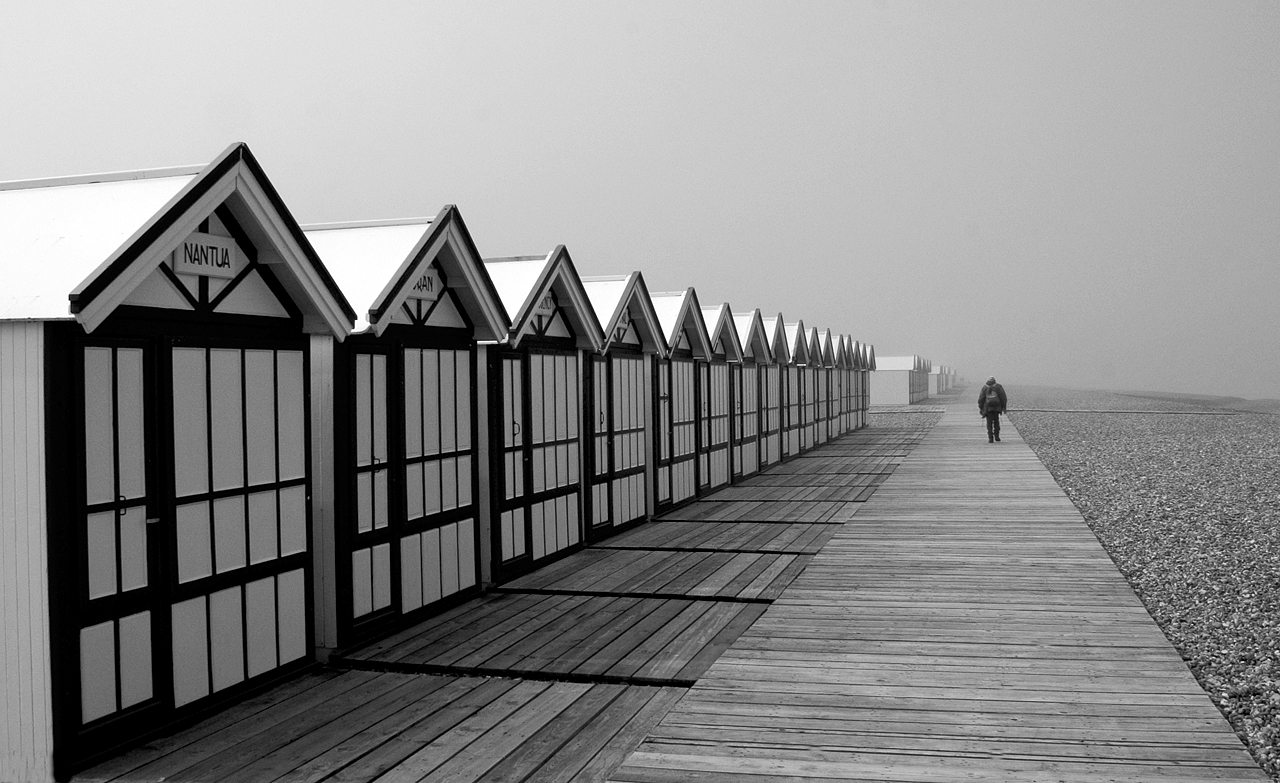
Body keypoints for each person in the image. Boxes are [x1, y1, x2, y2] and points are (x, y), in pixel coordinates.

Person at [978, 377, 1007, 442]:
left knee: (989, 423)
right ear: (994, 381)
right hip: (997, 407)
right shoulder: (998, 387)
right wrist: (1003, 407)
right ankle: (997, 436)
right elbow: (1003, 397)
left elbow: (981, 398)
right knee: (996, 421)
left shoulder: (985, 387)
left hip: (988, 408)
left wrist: (981, 407)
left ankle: (990, 438)